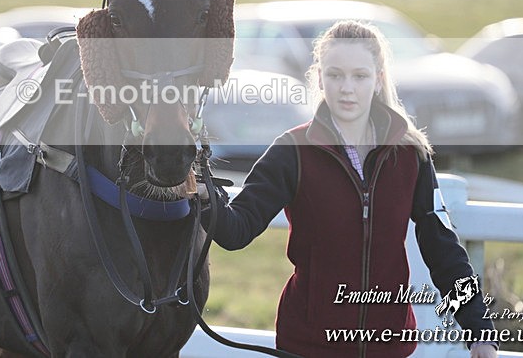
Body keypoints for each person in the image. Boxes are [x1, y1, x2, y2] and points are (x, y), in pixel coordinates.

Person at [203, 20, 497, 357]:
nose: (347, 88)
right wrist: (202, 194)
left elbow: (444, 250)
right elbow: (236, 230)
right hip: (308, 346)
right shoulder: (291, 152)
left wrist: (479, 331)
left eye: (359, 76)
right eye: (335, 74)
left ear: (378, 80)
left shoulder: (410, 155)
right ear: (319, 78)